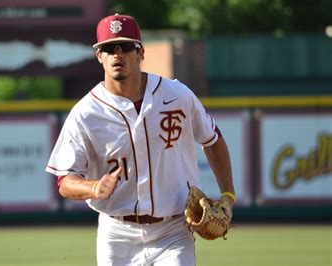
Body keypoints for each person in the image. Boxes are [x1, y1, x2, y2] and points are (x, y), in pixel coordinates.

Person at [46, 13, 235, 266]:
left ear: (140, 52)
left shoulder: (177, 95)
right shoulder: (85, 113)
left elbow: (212, 139)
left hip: (173, 231)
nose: (117, 54)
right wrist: (92, 187)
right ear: (99, 56)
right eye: (109, 48)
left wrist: (228, 196)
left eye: (125, 46)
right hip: (117, 235)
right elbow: (64, 180)